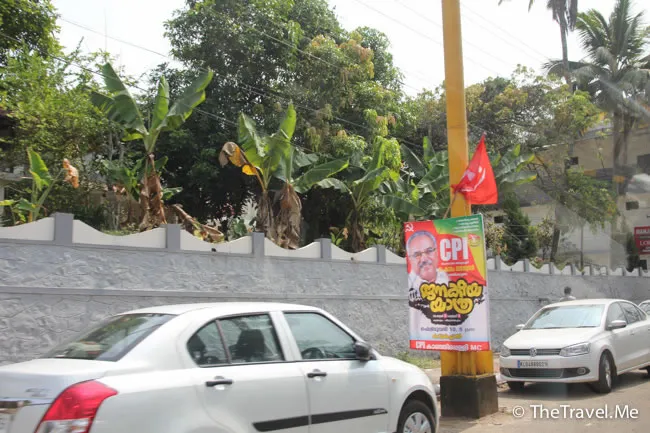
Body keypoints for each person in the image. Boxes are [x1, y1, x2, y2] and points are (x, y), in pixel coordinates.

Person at [406, 230, 450, 341]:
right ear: (410, 259)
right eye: (417, 254)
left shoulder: (448, 278)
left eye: (429, 251)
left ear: (437, 253)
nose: (424, 259)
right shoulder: (412, 286)